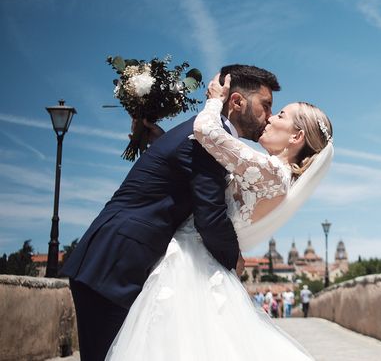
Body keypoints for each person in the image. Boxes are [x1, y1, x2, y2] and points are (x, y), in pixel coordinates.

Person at [104, 72, 333, 359]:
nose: (271, 118)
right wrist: (162, 142)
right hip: (203, 262)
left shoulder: (272, 172)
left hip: (190, 263)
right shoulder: (273, 174)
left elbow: (207, 132)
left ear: (297, 136)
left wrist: (214, 101)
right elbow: (207, 179)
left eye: (281, 115)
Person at [61, 64, 280, 361]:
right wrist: (233, 263)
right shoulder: (207, 139)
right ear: (237, 101)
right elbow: (210, 216)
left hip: (117, 259)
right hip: (114, 263)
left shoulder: (203, 133)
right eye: (265, 105)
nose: (268, 116)